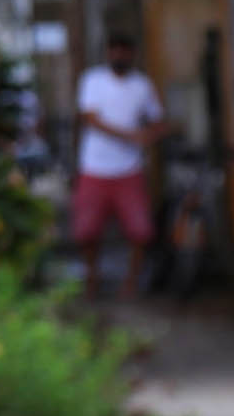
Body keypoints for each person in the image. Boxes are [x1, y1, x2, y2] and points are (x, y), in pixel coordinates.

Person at [71, 31, 171, 299]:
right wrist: (130, 136)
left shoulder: (142, 85)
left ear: (132, 54)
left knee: (140, 231)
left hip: (129, 170)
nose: (119, 55)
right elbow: (90, 118)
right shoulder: (93, 80)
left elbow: (158, 121)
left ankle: (131, 282)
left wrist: (152, 135)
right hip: (94, 168)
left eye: (124, 50)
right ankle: (92, 278)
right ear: (107, 53)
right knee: (86, 231)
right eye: (114, 50)